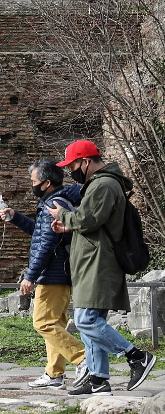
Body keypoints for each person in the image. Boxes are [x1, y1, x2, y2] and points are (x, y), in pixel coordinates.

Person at [48, 140, 157, 395]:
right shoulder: (100, 184)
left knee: (85, 320)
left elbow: (88, 219)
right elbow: (92, 223)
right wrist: (69, 226)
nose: (71, 170)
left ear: (85, 161)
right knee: (93, 320)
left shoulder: (104, 184)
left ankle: (136, 356)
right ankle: (98, 379)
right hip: (91, 261)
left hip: (99, 262)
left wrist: (63, 215)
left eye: (73, 165)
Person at [0, 158, 85, 389]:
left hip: (53, 274)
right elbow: (40, 233)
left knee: (43, 324)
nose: (32, 185)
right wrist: (16, 217)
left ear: (46, 183)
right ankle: (54, 374)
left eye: (34, 181)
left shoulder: (53, 205)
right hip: (61, 273)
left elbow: (46, 244)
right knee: (54, 324)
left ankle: (83, 359)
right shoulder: (57, 202)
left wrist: (30, 276)